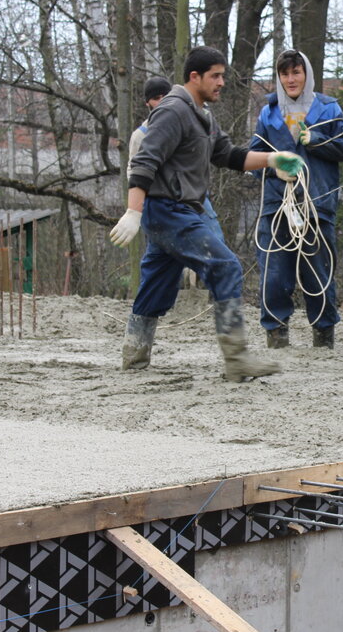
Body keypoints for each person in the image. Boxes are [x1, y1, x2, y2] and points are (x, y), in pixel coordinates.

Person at [110, 47, 302, 381]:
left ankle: (134, 356)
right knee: (225, 266)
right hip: (170, 211)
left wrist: (272, 160)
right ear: (194, 77)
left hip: (175, 211)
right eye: (215, 75)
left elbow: (228, 155)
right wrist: (132, 211)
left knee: (156, 287)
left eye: (223, 75)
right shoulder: (173, 111)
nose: (222, 82)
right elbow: (144, 162)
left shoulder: (201, 114)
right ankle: (237, 359)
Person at [249, 49, 343, 349]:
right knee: (273, 273)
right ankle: (276, 334)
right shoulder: (268, 113)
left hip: (317, 203)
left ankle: (323, 336)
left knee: (318, 272)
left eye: (296, 72)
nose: (291, 79)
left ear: (306, 74)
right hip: (276, 205)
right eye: (285, 74)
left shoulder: (328, 108)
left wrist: (318, 141)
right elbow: (252, 159)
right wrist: (274, 171)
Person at [130, 76, 225, 241]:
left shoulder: (191, 121)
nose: (161, 102)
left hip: (196, 198)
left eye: (164, 96)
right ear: (148, 103)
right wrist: (135, 209)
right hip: (161, 204)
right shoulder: (140, 135)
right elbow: (133, 170)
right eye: (156, 98)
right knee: (163, 256)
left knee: (215, 246)